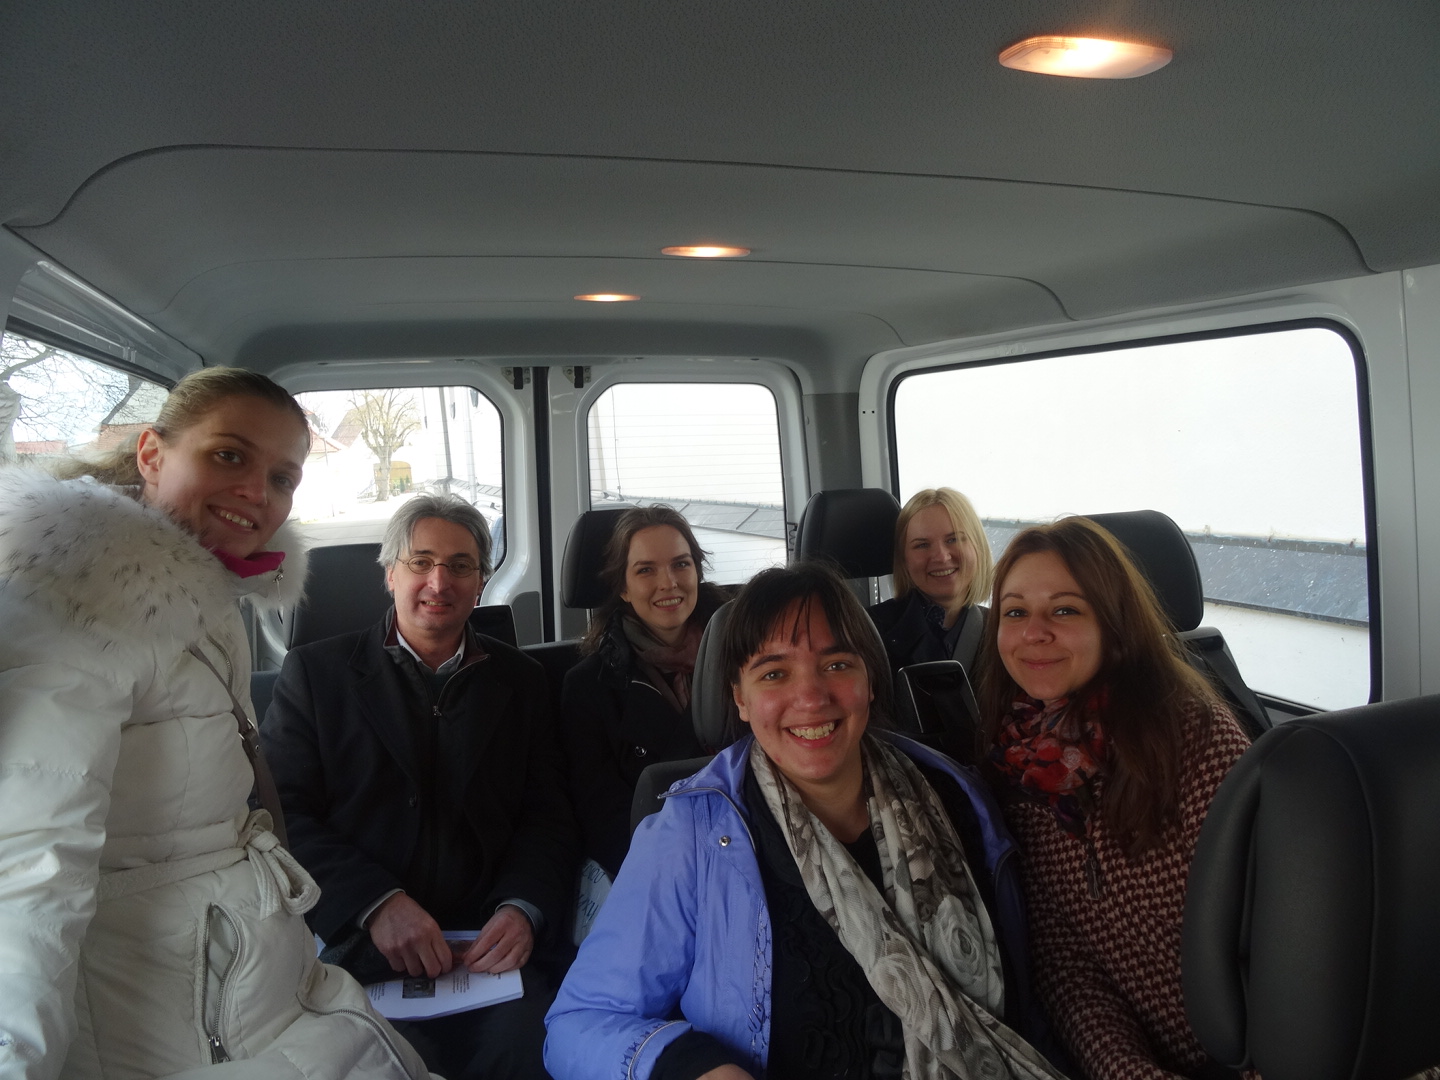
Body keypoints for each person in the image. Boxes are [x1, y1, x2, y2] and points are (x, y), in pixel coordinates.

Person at [0, 368, 431, 1079]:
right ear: (151, 454)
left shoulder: (205, 594)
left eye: (283, 477)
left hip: (241, 974)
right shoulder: (76, 610)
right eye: (229, 455)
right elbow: (28, 868)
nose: (258, 493)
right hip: (169, 1012)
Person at [545, 561, 1068, 1080]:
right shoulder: (691, 833)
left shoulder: (957, 796)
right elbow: (579, 1023)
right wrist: (692, 1067)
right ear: (740, 697)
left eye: (837, 665)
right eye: (774, 673)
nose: (812, 698)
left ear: (869, 679)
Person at [261, 494, 578, 1080]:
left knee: (532, 1047)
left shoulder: (523, 681)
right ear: (390, 574)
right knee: (386, 1062)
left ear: (480, 583)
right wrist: (376, 904)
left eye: (460, 565)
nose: (439, 581)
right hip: (358, 945)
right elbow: (281, 817)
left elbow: (548, 815)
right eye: (421, 562)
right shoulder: (316, 675)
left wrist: (522, 907)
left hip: (487, 944)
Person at [978, 517, 1252, 1080]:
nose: (1034, 633)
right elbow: (1063, 960)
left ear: (1114, 622)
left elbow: (1288, 943)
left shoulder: (1193, 736)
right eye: (1015, 612)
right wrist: (1128, 1071)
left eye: (1064, 610)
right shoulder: (1014, 763)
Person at [560, 505, 728, 878]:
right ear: (623, 587)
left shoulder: (745, 654)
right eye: (646, 570)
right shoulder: (589, 687)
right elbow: (604, 820)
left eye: (681, 564)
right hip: (661, 867)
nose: (668, 583)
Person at [869, 488, 994, 674]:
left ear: (978, 546)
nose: (941, 557)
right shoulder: (866, 632)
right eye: (922, 545)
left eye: (953, 539)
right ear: (903, 560)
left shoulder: (1003, 629)